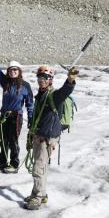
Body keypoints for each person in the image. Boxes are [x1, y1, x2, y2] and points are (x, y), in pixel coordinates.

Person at [24, 65, 78, 210]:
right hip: (38, 136)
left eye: (45, 78)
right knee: (42, 167)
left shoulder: (54, 96)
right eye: (40, 77)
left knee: (38, 168)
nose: (42, 80)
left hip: (46, 139)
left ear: (51, 80)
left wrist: (70, 79)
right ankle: (41, 193)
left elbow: (66, 91)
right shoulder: (40, 96)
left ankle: (37, 197)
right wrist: (31, 136)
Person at [0, 48, 34, 174]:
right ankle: (2, 161)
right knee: (3, 139)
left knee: (13, 140)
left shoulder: (25, 86)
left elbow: (30, 104)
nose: (12, 72)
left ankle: (14, 164)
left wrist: (31, 119)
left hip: (16, 117)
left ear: (19, 71)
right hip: (4, 115)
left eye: (15, 70)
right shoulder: (5, 82)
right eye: (10, 70)